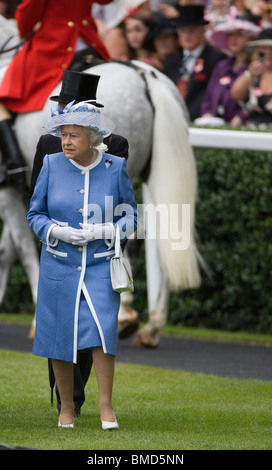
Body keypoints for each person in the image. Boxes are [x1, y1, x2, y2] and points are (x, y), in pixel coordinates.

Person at [26, 101, 138, 429]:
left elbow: (131, 215)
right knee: (60, 336)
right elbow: (34, 214)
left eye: (74, 135)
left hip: (101, 265)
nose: (66, 142)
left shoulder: (115, 167)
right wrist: (55, 231)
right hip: (58, 264)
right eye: (63, 135)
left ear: (92, 138)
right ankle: (65, 408)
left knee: (103, 334)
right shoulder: (50, 163)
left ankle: (106, 407)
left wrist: (107, 230)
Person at [0, 0, 113, 187]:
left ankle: (15, 165)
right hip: (89, 42)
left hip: (55, 46)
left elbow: (26, 18)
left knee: (3, 95)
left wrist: (24, 26)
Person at [162, 4, 226, 121]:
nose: (187, 35)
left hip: (200, 120)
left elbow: (210, 95)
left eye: (191, 30)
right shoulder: (170, 63)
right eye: (182, 31)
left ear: (202, 31)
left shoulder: (216, 59)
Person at [199, 11, 261, 125]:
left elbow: (257, 101)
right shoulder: (222, 65)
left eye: (240, 35)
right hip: (214, 125)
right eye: (231, 34)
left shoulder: (257, 68)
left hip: (242, 128)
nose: (233, 39)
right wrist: (207, 115)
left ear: (252, 40)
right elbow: (207, 99)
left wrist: (241, 118)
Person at [231, 28, 272, 127]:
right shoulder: (254, 73)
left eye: (271, 48)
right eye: (263, 48)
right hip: (252, 128)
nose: (268, 52)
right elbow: (236, 95)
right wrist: (250, 75)